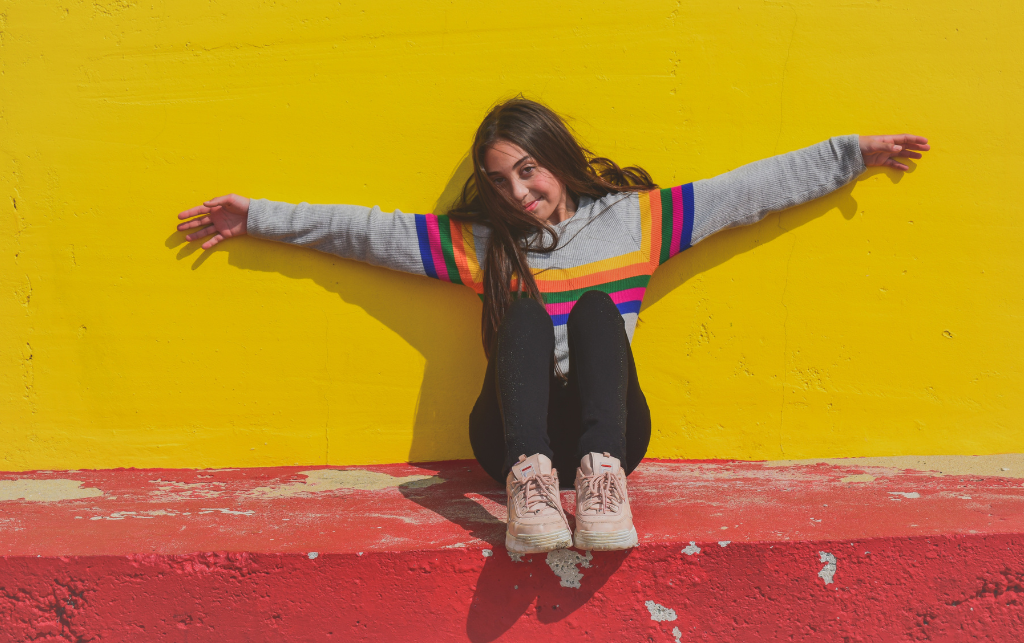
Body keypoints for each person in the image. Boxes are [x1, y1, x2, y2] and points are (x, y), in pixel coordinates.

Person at [177, 97, 929, 554]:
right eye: (501, 181)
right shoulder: (484, 246)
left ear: (557, 159)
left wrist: (849, 156)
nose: (520, 192)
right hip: (511, 444)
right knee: (526, 313)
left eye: (529, 170)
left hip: (610, 438)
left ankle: (601, 484)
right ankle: (533, 488)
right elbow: (367, 232)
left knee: (602, 311)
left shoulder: (637, 222)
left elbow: (746, 191)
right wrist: (260, 217)